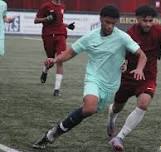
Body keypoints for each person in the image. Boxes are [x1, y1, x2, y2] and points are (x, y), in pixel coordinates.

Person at [32, 5, 147, 149]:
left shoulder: (122, 37)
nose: (110, 26)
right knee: (89, 108)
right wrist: (54, 60)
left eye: (113, 23)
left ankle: (56, 130)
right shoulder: (89, 37)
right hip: (93, 78)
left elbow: (142, 55)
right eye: (107, 22)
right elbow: (69, 53)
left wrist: (139, 68)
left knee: (90, 110)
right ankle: (52, 134)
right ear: (100, 19)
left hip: (111, 84)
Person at [107, 5, 161, 152]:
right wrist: (122, 63)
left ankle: (119, 137)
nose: (148, 24)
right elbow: (121, 52)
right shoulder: (130, 33)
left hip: (148, 76)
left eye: (150, 20)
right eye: (145, 21)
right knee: (117, 106)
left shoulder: (159, 29)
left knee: (143, 103)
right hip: (129, 76)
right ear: (137, 19)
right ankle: (112, 117)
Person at [34, 0, 75, 96]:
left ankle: (56, 90)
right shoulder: (46, 5)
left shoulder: (62, 6)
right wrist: (46, 19)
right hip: (48, 35)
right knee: (51, 61)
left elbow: (59, 23)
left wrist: (67, 26)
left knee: (60, 59)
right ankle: (45, 69)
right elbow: (36, 20)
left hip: (61, 35)